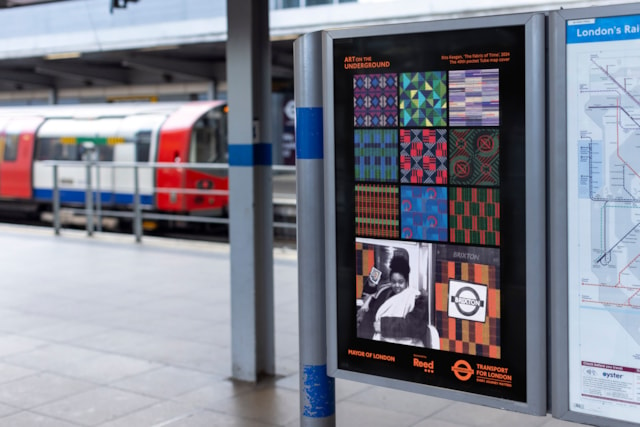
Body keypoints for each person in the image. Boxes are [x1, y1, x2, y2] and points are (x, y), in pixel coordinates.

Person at [357, 253, 432, 347]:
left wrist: (383, 326)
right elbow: (370, 307)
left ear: (407, 281)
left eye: (401, 282)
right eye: (393, 282)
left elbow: (415, 326)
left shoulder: (416, 297)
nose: (397, 286)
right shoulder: (383, 291)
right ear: (390, 280)